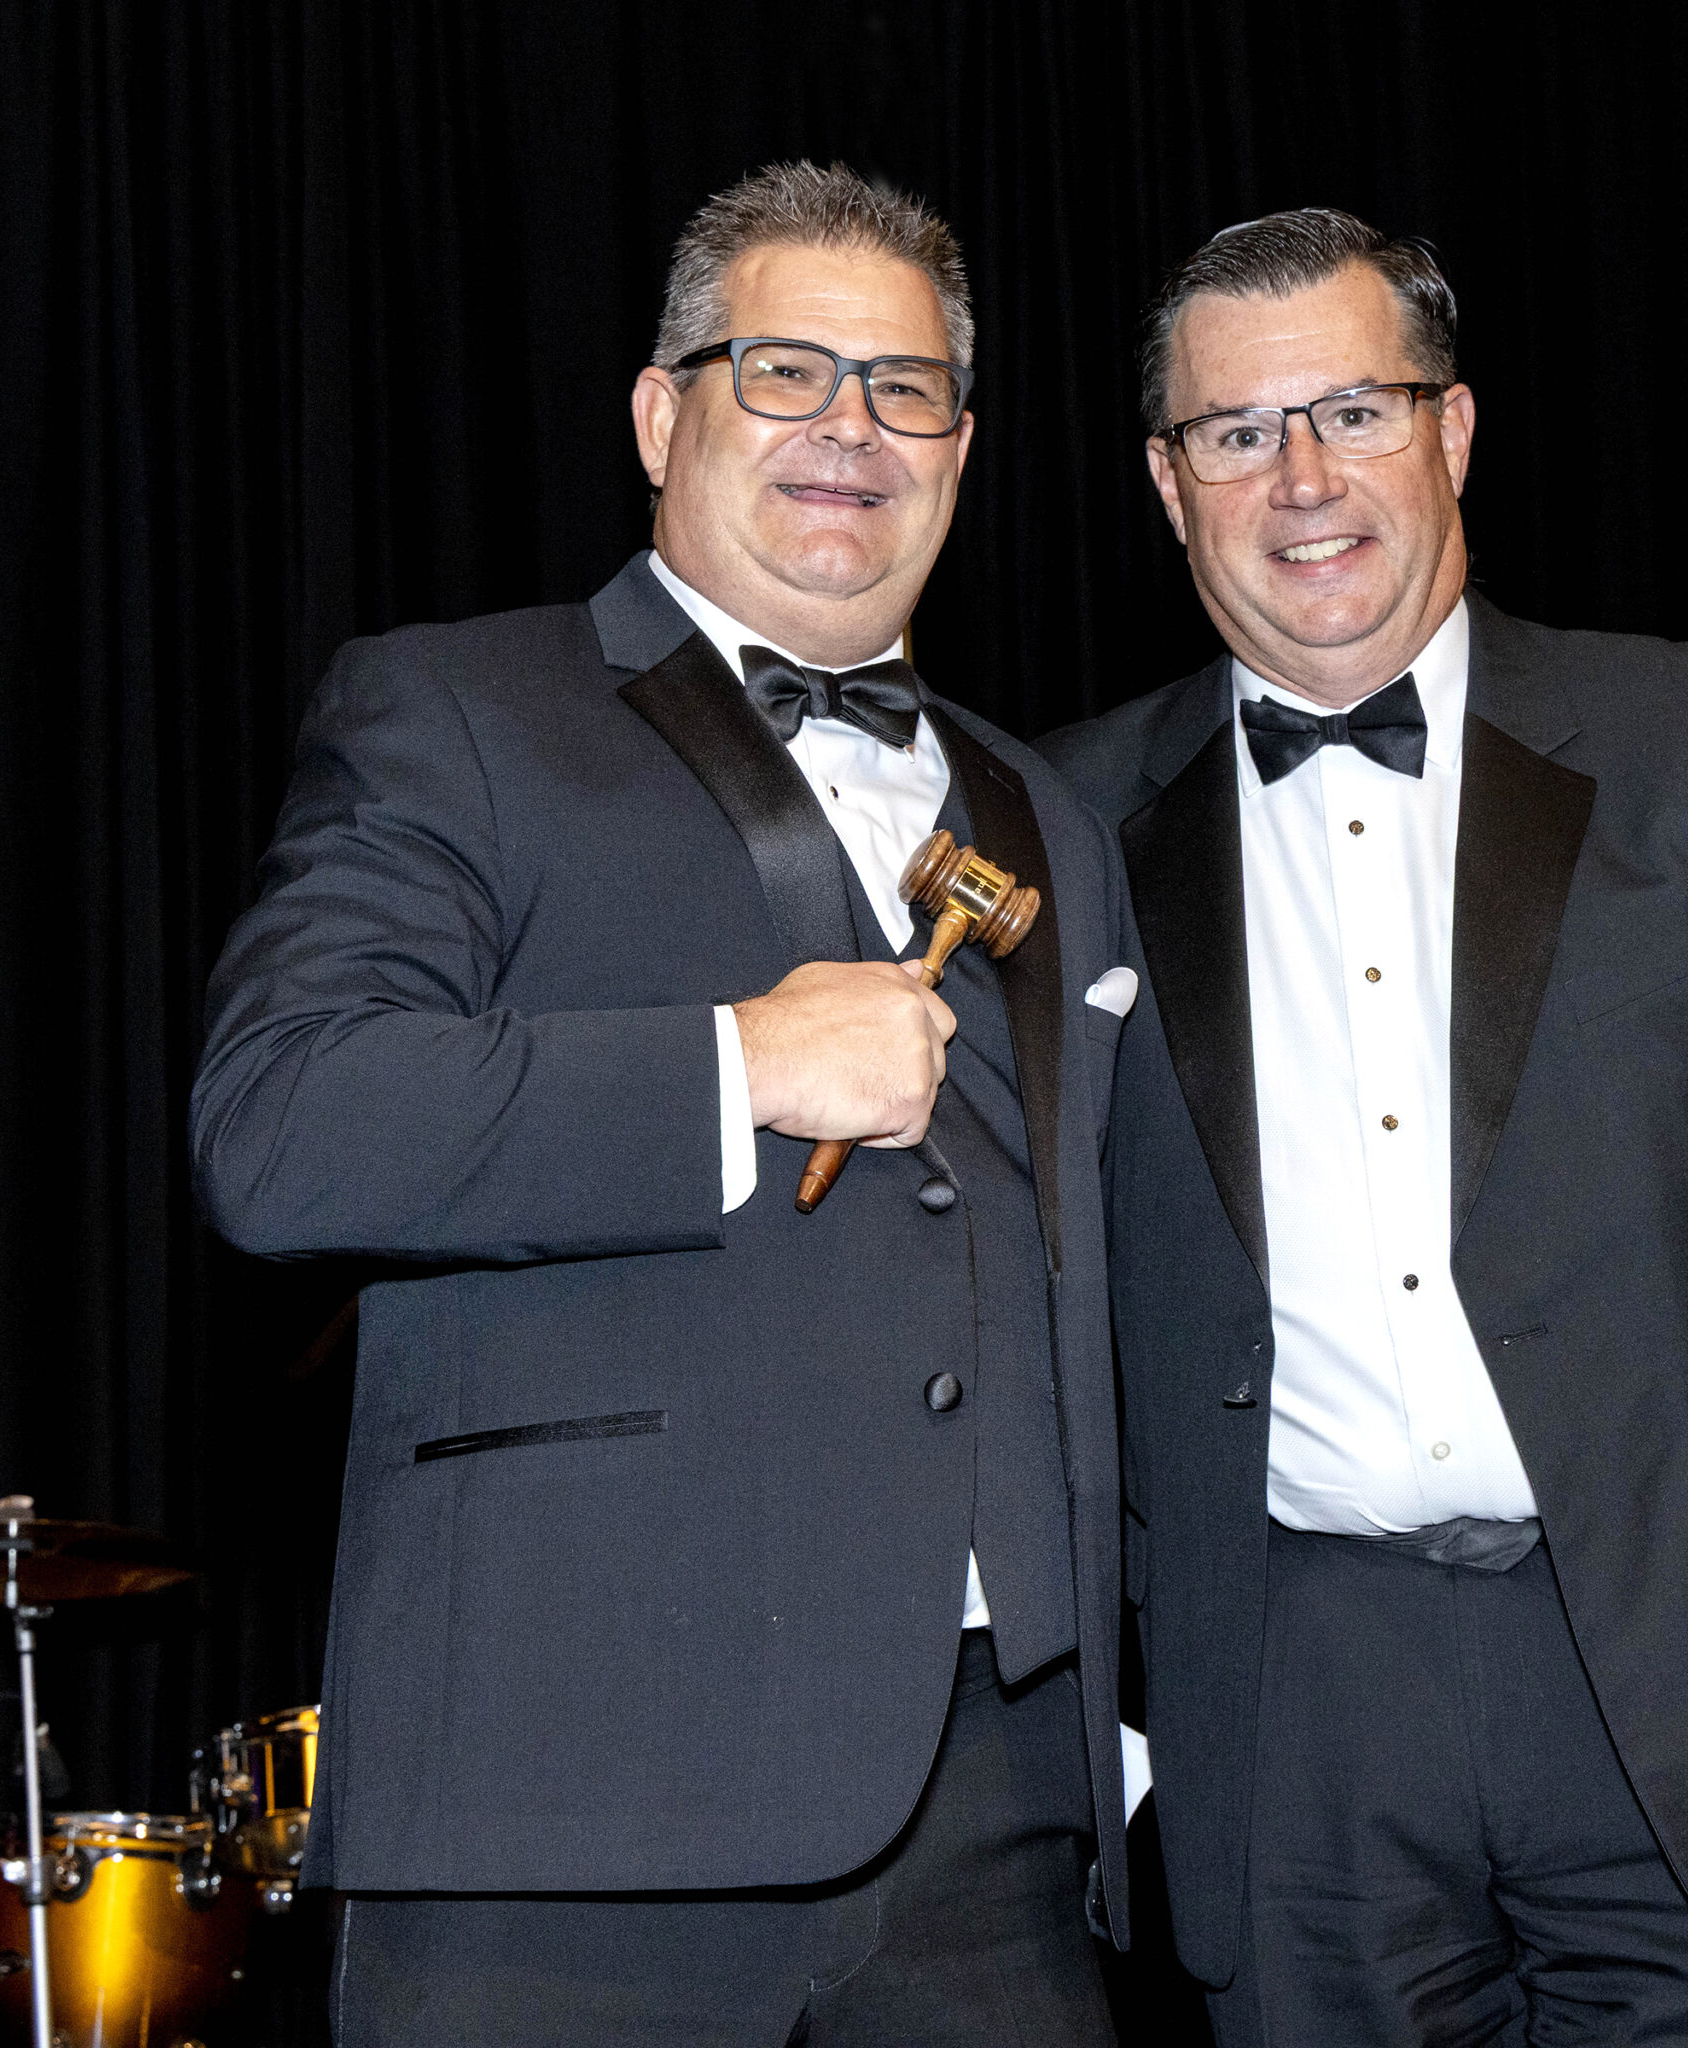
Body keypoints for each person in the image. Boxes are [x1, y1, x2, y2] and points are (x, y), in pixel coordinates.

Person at [1042, 209, 1688, 2044]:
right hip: (1298, 1740)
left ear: (1456, 428)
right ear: (1169, 485)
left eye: (1355, 409)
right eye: (1239, 431)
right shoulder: (1064, 822)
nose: (1304, 477)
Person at [192, 161, 1136, 2047]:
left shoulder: (1053, 812)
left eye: (907, 388)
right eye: (785, 371)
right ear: (657, 415)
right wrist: (738, 1062)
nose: (851, 429)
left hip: (1005, 1827)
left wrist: (1115, 1715)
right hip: (576, 1795)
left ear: (963, 447)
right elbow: (281, 1125)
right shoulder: (453, 710)